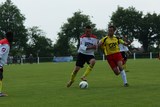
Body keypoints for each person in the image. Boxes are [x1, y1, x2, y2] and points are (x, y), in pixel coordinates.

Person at [0, 31, 13, 97]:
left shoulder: (2, 41)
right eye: (12, 37)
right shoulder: (6, 44)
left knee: (0, 77)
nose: (12, 38)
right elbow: (0, 54)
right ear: (9, 37)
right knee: (0, 77)